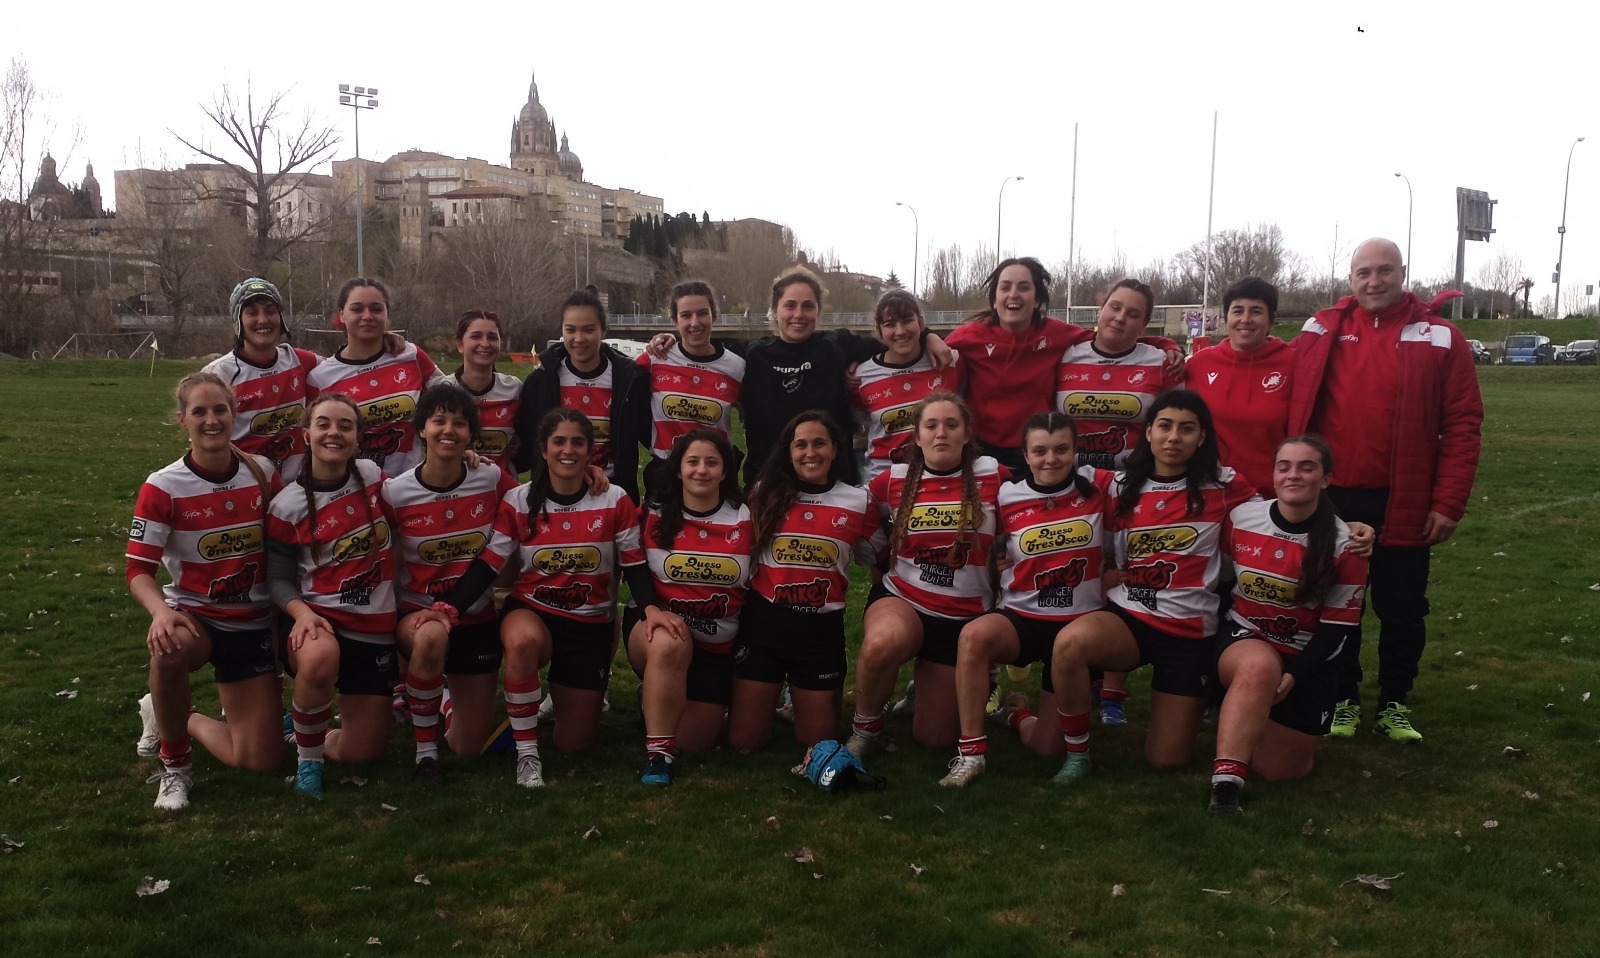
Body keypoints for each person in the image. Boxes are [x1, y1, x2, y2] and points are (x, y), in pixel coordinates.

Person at [1289, 238, 1483, 741]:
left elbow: (1463, 424)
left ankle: (1395, 702)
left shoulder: (1441, 337)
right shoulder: (1321, 329)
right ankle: (1343, 700)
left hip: (1404, 500)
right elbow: (1267, 367)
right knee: (1336, 605)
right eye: (1363, 272)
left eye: (1384, 270)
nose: (1374, 281)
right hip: (1333, 500)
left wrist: (1448, 502)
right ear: (1350, 279)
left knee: (1402, 609)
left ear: (1403, 273)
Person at [440, 409, 684, 788]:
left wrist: (650, 608)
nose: (568, 450)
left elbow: (634, 564)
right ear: (543, 448)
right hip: (533, 611)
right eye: (559, 441)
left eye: (577, 442)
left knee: (574, 744)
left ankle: (545, 703)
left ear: (590, 450)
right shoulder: (519, 500)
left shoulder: (614, 499)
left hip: (588, 625)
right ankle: (526, 754)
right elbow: (489, 564)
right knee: (521, 642)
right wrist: (451, 608)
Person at [1047, 390, 1257, 784]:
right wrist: (1007, 551)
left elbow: (1275, 518)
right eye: (1165, 426)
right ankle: (1077, 753)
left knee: (1166, 761)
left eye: (1186, 428)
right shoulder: (1119, 486)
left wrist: (1346, 529)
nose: (1173, 437)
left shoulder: (1225, 485)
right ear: (1148, 432)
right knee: (1069, 644)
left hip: (1188, 634)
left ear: (1202, 437)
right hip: (1129, 619)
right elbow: (1050, 502)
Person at [128, 372, 283, 811]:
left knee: (260, 761)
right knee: (168, 648)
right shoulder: (163, 485)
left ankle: (178, 715)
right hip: (196, 618)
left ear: (234, 414)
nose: (211, 420)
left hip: (251, 624)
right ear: (183, 419)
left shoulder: (263, 473)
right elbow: (138, 570)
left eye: (220, 409)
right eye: (200, 411)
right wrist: (161, 612)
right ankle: (175, 765)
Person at [646, 269, 953, 487]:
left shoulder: (838, 346)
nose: (799, 314)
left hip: (831, 480)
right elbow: (700, 348)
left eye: (808, 306)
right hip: (769, 482)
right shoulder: (750, 354)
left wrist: (928, 336)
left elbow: (894, 339)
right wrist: (668, 341)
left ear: (818, 310)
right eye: (790, 305)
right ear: (774, 310)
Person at [940, 412, 1113, 786]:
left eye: (1061, 449)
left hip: (1076, 627)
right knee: (973, 637)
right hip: (1022, 618)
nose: (1050, 459)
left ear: (1075, 450)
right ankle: (971, 756)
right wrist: (996, 559)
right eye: (1040, 451)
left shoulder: (1101, 486)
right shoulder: (1006, 494)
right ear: (1025, 454)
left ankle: (1016, 712)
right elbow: (986, 542)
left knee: (1045, 747)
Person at [1207, 435, 1367, 816]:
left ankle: (1246, 714)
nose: (1293, 475)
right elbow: (1222, 583)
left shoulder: (1347, 545)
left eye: (1306, 467)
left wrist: (1296, 675)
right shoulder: (1242, 519)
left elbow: (1337, 629)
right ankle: (1225, 788)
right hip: (1245, 636)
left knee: (1281, 771)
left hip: (1305, 655)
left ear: (1326, 479)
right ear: (1274, 475)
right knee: (1259, 667)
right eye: (1284, 467)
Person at [1053, 277, 1184, 724]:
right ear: (1100, 307)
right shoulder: (1067, 354)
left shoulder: (1158, 361)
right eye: (1115, 307)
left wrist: (1169, 346)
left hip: (1132, 485)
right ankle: (1078, 670)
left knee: (1124, 573)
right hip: (1074, 484)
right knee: (1079, 571)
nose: (1120, 318)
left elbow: (1173, 417)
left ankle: (1113, 692)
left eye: (1133, 314)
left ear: (1144, 324)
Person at [846, 393, 1006, 755]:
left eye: (951, 425)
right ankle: (866, 730)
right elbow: (857, 512)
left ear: (967, 433)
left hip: (961, 617)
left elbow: (1030, 512)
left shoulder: (993, 474)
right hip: (905, 599)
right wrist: (880, 558)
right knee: (881, 643)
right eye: (931, 425)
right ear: (917, 436)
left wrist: (1011, 559)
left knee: (934, 738)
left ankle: (931, 688)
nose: (941, 433)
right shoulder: (894, 479)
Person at [266, 393, 399, 799]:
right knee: (320, 655)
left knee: (363, 752)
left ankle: (303, 726)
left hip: (373, 627)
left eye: (345, 425)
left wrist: (468, 459)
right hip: (319, 619)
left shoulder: (371, 475)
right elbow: (277, 580)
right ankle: (309, 763)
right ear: (307, 435)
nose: (334, 433)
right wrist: (302, 614)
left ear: (358, 437)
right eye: (323, 424)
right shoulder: (287, 505)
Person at [384, 384, 519, 784]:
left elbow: (535, 500)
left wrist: (589, 473)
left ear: (471, 434)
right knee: (431, 637)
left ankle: (440, 697)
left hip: (476, 616)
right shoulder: (394, 493)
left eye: (460, 423)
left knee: (468, 745)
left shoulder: (490, 477)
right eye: (438, 421)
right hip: (419, 615)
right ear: (421, 429)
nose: (449, 430)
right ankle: (425, 753)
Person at [728, 411, 880, 752]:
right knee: (744, 742)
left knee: (819, 742)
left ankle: (797, 699)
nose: (810, 452)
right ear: (789, 451)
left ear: (835, 449)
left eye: (819, 443)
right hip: (765, 625)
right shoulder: (764, 492)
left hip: (820, 630)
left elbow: (879, 557)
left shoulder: (858, 501)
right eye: (801, 445)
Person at [946, 257, 1180, 475]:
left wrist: (1166, 344)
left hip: (1040, 453)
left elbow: (1110, 339)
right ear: (994, 299)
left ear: (1037, 300)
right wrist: (929, 337)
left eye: (1024, 287)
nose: (1013, 294)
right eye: (1005, 287)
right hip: (982, 452)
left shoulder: (1057, 333)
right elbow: (930, 354)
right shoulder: (969, 336)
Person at [625, 429, 752, 785]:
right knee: (671, 642)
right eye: (692, 461)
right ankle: (658, 756)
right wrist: (652, 609)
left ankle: (653, 697)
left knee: (696, 741)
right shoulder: (651, 514)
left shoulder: (746, 518)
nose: (701, 470)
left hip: (715, 648)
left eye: (712, 462)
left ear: (725, 471)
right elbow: (624, 553)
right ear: (678, 469)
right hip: (657, 632)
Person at [305, 278, 446, 475]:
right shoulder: (319, 378)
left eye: (376, 309)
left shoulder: (410, 356)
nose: (367, 316)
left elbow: (451, 398)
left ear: (388, 314)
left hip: (408, 483)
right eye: (357, 309)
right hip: (353, 486)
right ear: (342, 314)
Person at [517, 290, 649, 499]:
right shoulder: (540, 381)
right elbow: (523, 450)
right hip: (554, 496)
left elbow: (655, 437)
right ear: (562, 330)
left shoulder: (630, 380)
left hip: (611, 495)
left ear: (603, 332)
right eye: (571, 330)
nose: (579, 338)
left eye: (588, 330)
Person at [1185, 277, 1295, 497]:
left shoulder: (1295, 364)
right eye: (1237, 311)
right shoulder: (1199, 363)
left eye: (1256, 311)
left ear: (1270, 320)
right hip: (1211, 491)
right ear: (1226, 318)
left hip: (1273, 495)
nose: (1245, 319)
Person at [202, 278, 320, 479]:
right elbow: (201, 443)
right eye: (252, 312)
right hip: (245, 488)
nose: (263, 319)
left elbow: (344, 367)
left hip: (298, 489)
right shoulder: (217, 374)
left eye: (270, 310)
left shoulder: (299, 360)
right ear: (238, 320)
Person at [637, 281, 746, 496]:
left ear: (714, 316)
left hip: (714, 475)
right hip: (665, 476)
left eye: (702, 313)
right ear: (674, 320)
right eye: (686, 315)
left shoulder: (736, 367)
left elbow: (753, 421)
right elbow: (614, 376)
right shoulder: (655, 358)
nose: (695, 323)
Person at [852, 289, 963, 483]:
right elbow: (856, 425)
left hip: (939, 481)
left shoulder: (949, 361)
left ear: (921, 322)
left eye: (907, 320)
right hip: (884, 483)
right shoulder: (862, 376)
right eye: (890, 324)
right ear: (879, 331)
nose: (900, 331)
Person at [450, 308, 522, 476]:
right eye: (476, 336)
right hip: (454, 487)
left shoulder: (514, 389)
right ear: (460, 344)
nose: (485, 343)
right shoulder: (441, 389)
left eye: (492, 337)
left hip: (502, 487)